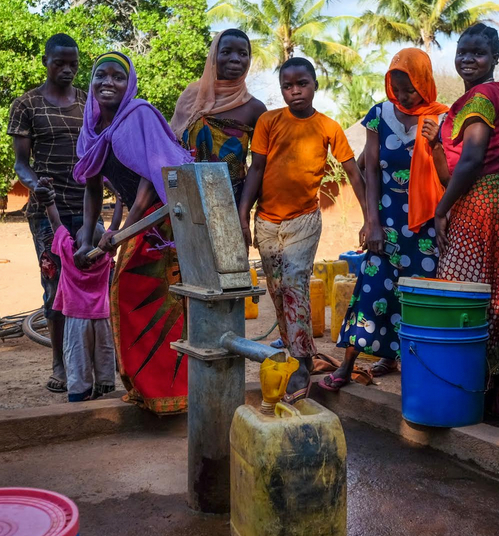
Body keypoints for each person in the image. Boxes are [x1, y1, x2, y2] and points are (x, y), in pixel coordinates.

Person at [238, 57, 366, 403]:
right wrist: (243, 215)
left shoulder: (328, 127)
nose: (295, 91)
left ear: (315, 85)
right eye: (288, 86)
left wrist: (369, 219)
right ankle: (299, 351)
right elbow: (256, 169)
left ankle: (301, 361)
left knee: (294, 285)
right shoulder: (268, 121)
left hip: (304, 220)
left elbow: (353, 173)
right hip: (267, 221)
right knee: (277, 290)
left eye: (302, 84)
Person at [319, 48, 447, 390]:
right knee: (372, 289)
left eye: (410, 89)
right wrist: (372, 222)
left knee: (419, 296)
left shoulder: (441, 118)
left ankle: (410, 369)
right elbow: (371, 169)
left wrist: (436, 144)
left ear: (425, 83)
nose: (403, 96)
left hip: (426, 227)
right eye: (397, 89)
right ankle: (347, 365)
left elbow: (448, 176)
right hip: (386, 223)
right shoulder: (379, 115)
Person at [72, 52, 193, 414]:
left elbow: (149, 179)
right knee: (130, 298)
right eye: (100, 75)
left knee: (155, 301)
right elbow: (93, 188)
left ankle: (172, 392)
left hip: (165, 222)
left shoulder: (140, 114)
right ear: (91, 82)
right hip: (141, 223)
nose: (108, 82)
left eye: (117, 76)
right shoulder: (91, 130)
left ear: (130, 84)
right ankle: (147, 388)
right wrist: (86, 239)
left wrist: (123, 232)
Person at [430, 23, 499, 411]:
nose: (468, 59)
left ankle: (470, 389)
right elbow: (455, 168)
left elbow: (473, 160)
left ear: (494, 57)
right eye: (462, 51)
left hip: (483, 204)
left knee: (464, 294)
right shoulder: (481, 98)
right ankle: (496, 391)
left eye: (478, 52)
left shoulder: (481, 97)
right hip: (495, 200)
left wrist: (441, 209)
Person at [8, 33, 87, 394]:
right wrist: (36, 185)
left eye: (73, 64)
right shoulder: (27, 104)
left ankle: (88, 361)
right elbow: (21, 164)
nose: (67, 69)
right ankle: (60, 362)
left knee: (91, 282)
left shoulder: (89, 102)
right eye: (60, 63)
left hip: (87, 207)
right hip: (47, 211)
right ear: (45, 61)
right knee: (55, 288)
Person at [36, 179, 115, 402]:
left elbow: (55, 222)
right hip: (102, 320)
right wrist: (118, 200)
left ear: (78, 242)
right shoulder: (105, 258)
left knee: (77, 359)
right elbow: (115, 228)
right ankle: (104, 391)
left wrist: (49, 200)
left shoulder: (68, 255)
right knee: (104, 355)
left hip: (76, 320)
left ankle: (79, 396)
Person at [170, 29, 266, 200]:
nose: (235, 59)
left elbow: (259, 167)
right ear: (214, 56)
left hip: (231, 201)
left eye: (243, 53)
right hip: (186, 198)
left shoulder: (254, 108)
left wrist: (244, 210)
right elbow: (172, 149)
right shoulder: (190, 98)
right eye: (226, 52)